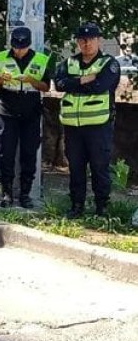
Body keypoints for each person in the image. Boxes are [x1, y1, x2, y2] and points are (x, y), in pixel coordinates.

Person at [54, 22, 121, 218]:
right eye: (82, 40)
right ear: (77, 42)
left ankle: (102, 208)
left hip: (98, 126)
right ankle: (76, 206)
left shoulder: (109, 63)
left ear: (98, 40)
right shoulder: (68, 63)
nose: (86, 43)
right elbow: (58, 84)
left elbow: (100, 86)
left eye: (90, 39)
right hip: (73, 127)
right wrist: (83, 80)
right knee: (75, 168)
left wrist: (72, 84)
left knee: (99, 167)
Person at [0, 26, 52, 208]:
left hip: (30, 112)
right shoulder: (1, 57)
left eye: (22, 47)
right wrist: (1, 78)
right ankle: (6, 193)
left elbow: (46, 87)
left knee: (29, 153)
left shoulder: (39, 59)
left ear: (29, 45)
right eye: (16, 47)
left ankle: (25, 194)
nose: (18, 51)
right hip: (7, 111)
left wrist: (31, 81)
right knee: (5, 152)